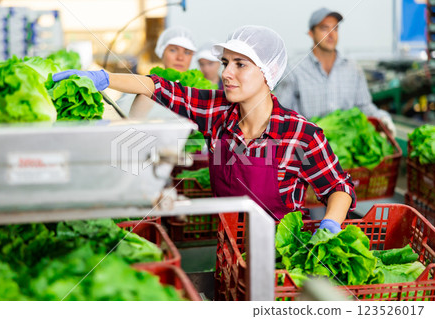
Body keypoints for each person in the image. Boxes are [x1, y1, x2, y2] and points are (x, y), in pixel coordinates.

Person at [53, 25, 357, 234]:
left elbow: (338, 187)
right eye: (225, 63)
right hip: (227, 250)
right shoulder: (217, 114)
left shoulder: (301, 134)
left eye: (240, 65)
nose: (226, 73)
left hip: (280, 258)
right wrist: (104, 77)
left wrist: (330, 224)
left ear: (268, 72)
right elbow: (160, 87)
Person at [275, 7, 396, 136]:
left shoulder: (352, 69)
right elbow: (283, 114)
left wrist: (382, 118)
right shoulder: (295, 69)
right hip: (308, 147)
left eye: (335, 28)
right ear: (311, 33)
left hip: (346, 145)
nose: (331, 34)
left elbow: (364, 106)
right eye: (324, 28)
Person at [116, 26, 197, 110]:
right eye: (173, 50)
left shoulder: (201, 93)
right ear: (161, 51)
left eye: (187, 52)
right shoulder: (145, 87)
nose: (180, 58)